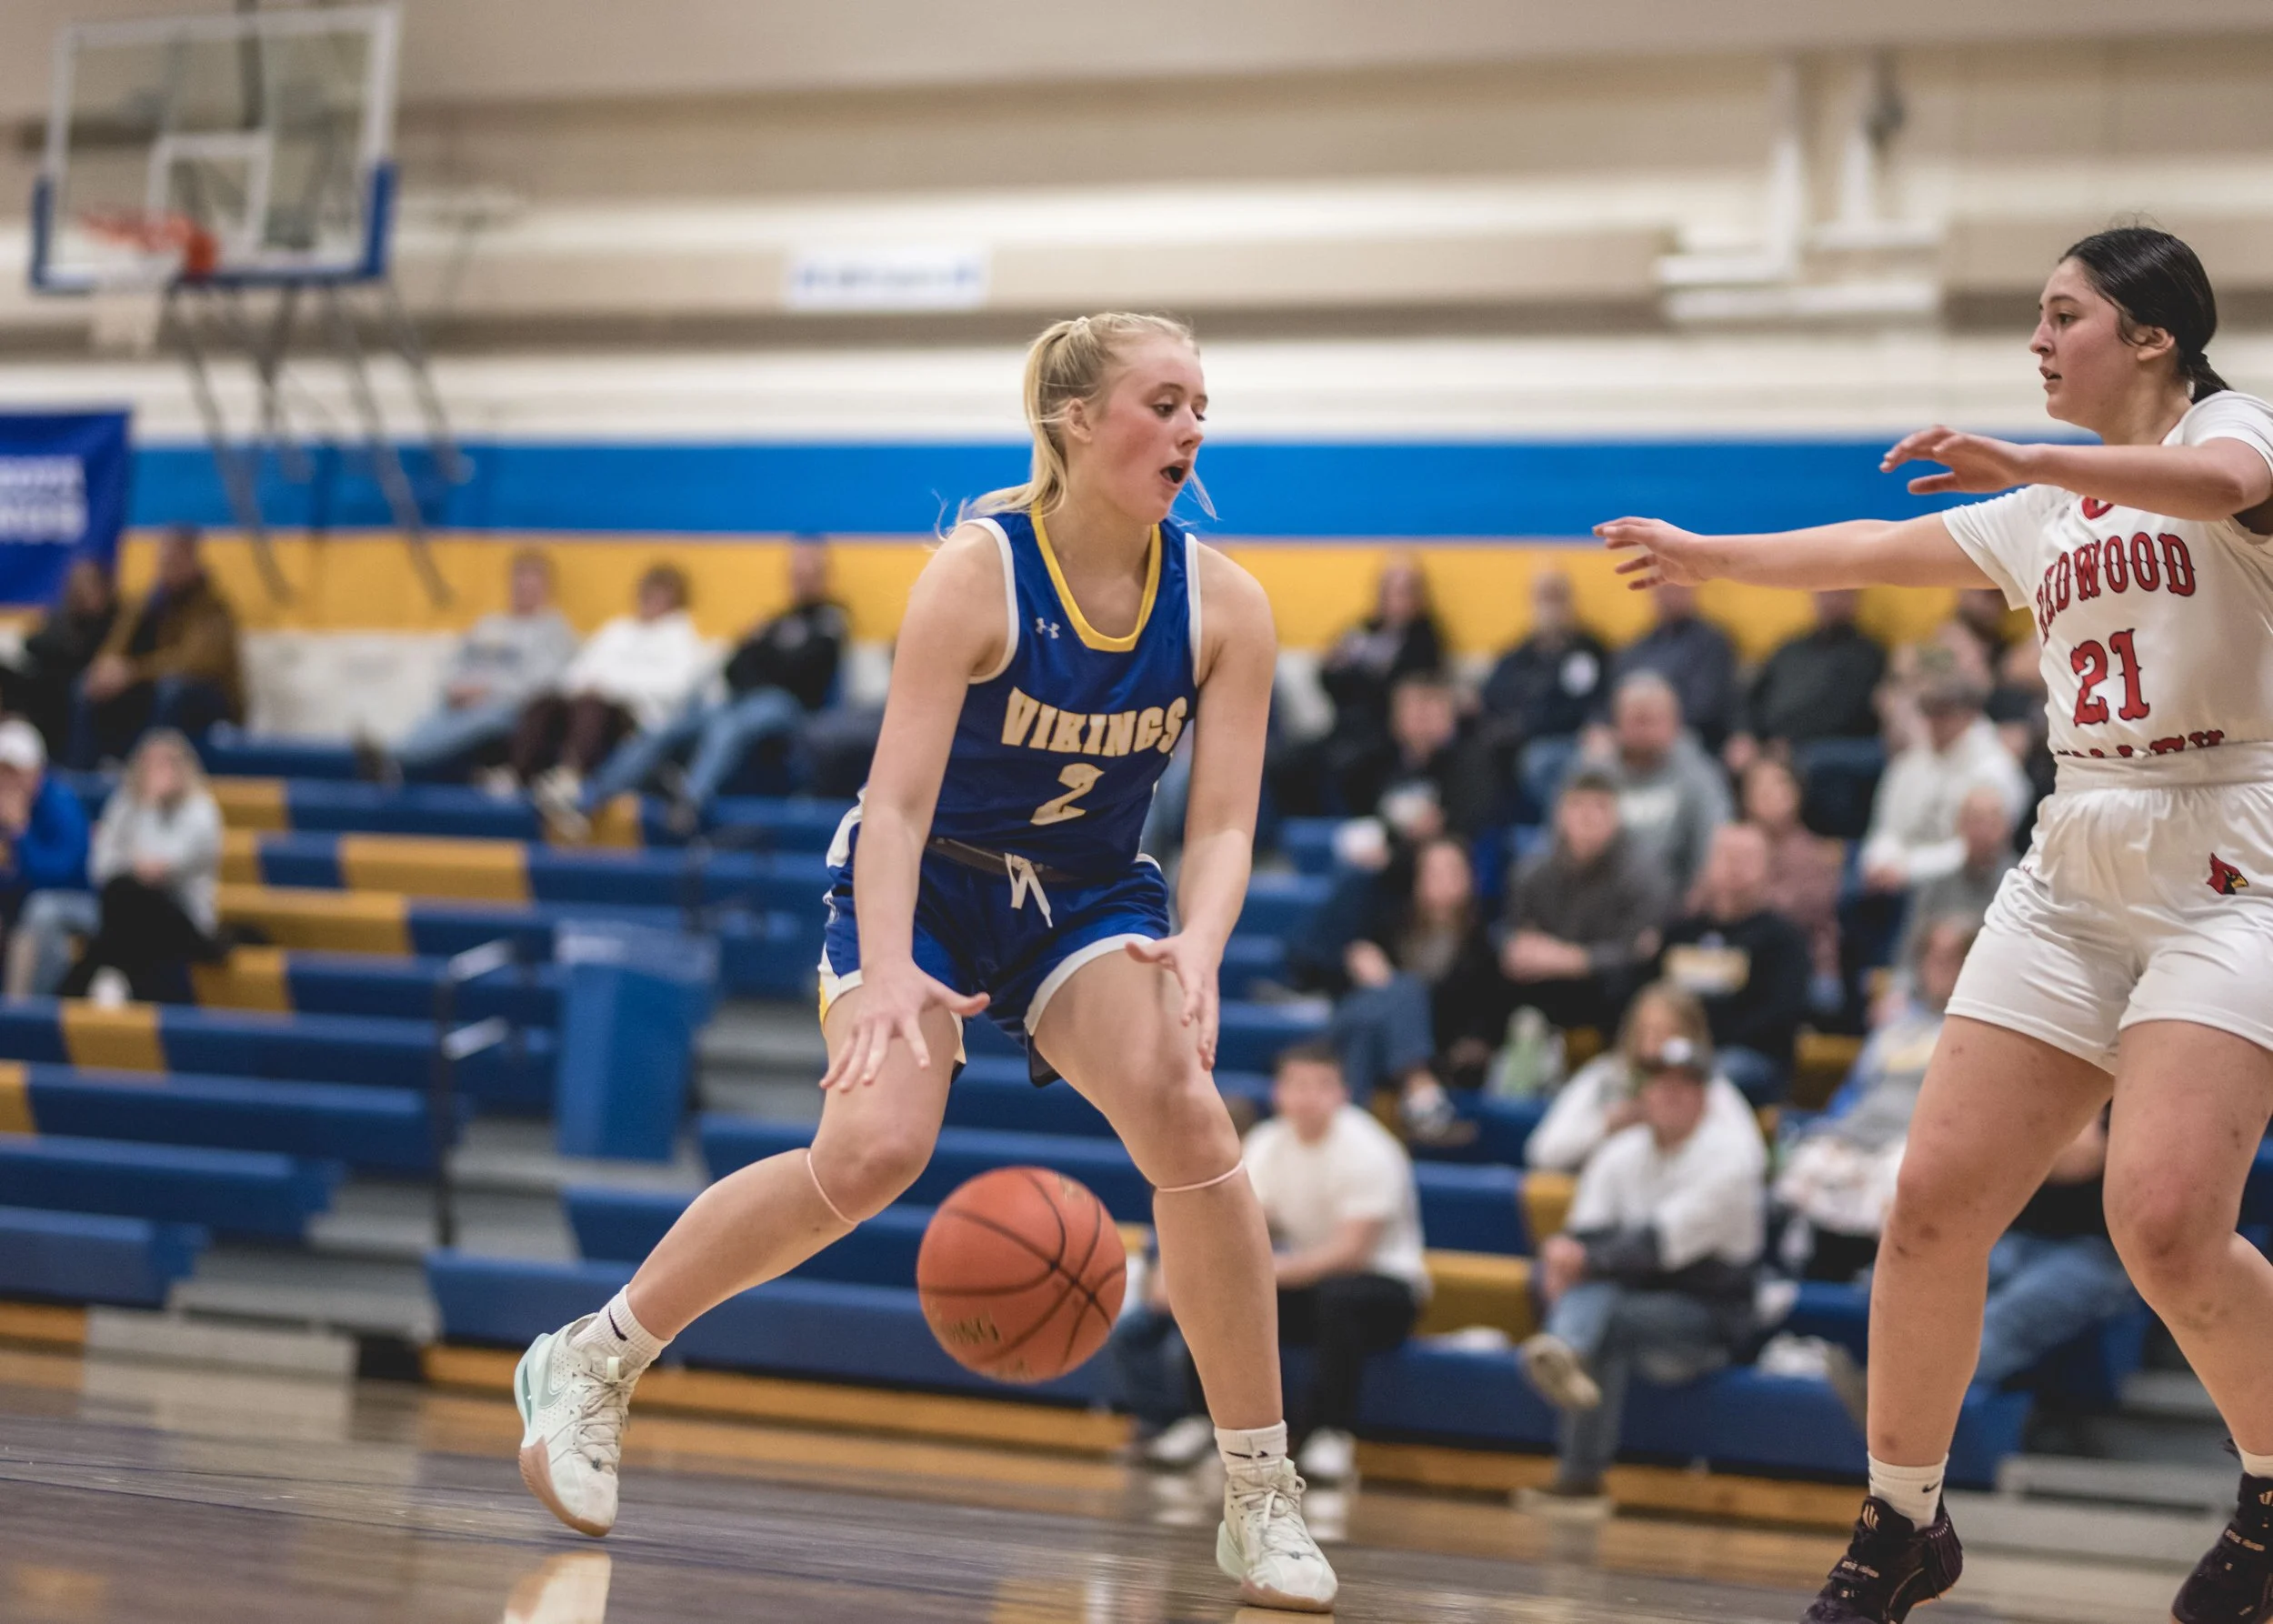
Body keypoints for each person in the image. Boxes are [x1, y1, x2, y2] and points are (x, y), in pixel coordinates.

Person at [508, 313, 1337, 1610]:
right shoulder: (978, 570)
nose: (1189, 429)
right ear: (1077, 419)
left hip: (1087, 894)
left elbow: (1226, 821)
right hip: (928, 876)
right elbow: (892, 804)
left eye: (1199, 407)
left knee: (1188, 1113)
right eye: (1163, 403)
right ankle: (595, 1357)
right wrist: (886, 969)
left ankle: (1259, 1488)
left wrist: (1207, 941)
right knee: (874, 1150)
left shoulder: (1226, 603)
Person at [1598, 226, 2273, 1623]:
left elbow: (2225, 484)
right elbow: (1879, 545)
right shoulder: (2045, 510)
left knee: (2163, 1225)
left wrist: (2033, 460)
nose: (2036, 341)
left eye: (2061, 314)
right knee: (1930, 1205)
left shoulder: (2230, 428)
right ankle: (1903, 1518)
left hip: (2238, 850)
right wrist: (1712, 554)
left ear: (2150, 335)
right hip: (2077, 844)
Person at [1517, 1033, 1765, 1510]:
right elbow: (1585, 1237)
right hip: (1629, 1303)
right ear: (1642, 1093)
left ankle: (1564, 1354)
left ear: (1705, 1097)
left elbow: (1657, 1246)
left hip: (1709, 1317)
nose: (1670, 1095)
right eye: (1660, 1084)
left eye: (1684, 1086)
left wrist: (1577, 1261)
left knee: (1601, 1312)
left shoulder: (1731, 1160)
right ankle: (1578, 1465)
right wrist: (1564, 1259)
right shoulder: (1620, 1153)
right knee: (1597, 1307)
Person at [580, 537, 851, 827]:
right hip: (741, 700)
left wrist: (764, 653)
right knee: (669, 727)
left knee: (728, 725)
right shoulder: (773, 621)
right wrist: (767, 653)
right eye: (796, 567)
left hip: (790, 707)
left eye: (808, 566)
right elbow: (734, 668)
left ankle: (690, 800)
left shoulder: (831, 618)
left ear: (823, 572)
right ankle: (593, 795)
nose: (801, 574)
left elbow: (809, 670)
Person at [1774, 916, 1978, 1282]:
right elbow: (1855, 1090)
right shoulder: (1894, 1024)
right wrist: (1830, 1128)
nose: (1938, 969)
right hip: (1859, 1133)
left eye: (1951, 960)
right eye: (1932, 958)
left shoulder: (1976, 1032)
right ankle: (1807, 1274)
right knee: (1806, 1166)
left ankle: (1888, 1278)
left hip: (1914, 1141)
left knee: (1900, 1179)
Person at [1325, 835, 1505, 1141]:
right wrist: (1357, 966)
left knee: (1383, 1011)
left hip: (1417, 1048)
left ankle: (1349, 1126)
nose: (1442, 881)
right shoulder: (1387, 924)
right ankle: (1421, 1092)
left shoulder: (1484, 946)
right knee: (1398, 991)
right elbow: (1325, 972)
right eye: (1432, 872)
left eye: (1451, 871)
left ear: (1470, 878)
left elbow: (1486, 1017)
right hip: (1358, 1023)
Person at [511, 565, 716, 819]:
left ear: (674, 601)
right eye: (647, 595)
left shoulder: (682, 637)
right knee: (544, 703)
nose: (651, 603)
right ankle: (519, 776)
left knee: (592, 708)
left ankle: (570, 777)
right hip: (586, 701)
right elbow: (577, 669)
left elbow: (675, 687)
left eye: (660, 597)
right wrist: (586, 686)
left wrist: (609, 687)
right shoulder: (617, 630)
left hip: (635, 718)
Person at [1497, 767, 1674, 1037]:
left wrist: (1575, 960)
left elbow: (1639, 954)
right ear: (1559, 815)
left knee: (1625, 984)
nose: (1588, 817)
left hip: (1609, 997)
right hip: (1549, 989)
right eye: (1577, 806)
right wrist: (1519, 951)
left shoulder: (1644, 875)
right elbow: (1519, 941)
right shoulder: (1531, 873)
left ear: (1616, 817)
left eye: (1600, 807)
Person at [1526, 979, 1757, 1176]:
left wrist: (1686, 1132)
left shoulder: (1708, 1088)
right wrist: (1610, 1124)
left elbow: (1751, 1162)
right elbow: (1543, 1153)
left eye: (1667, 1034)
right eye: (1646, 1032)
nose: (1653, 1047)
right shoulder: (1604, 1078)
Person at [57, 729, 223, 1006]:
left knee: (126, 892)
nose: (156, 771)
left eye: (166, 763)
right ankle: (110, 976)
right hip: (132, 919)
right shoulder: (124, 803)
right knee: (121, 894)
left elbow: (156, 868)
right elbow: (100, 867)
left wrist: (150, 805)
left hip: (185, 920)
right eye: (149, 763)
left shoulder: (202, 811)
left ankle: (97, 976)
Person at [385, 550, 578, 784]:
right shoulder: (489, 623)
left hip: (508, 710)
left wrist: (487, 690)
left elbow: (546, 686)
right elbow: (455, 663)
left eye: (532, 587)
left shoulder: (554, 630)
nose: (525, 592)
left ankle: (401, 759)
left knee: (480, 719)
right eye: (521, 585)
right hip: (463, 700)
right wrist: (455, 688)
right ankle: (395, 759)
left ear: (545, 589)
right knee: (434, 715)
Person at [1655, 824, 1812, 1103]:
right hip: (1673, 1049)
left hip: (1748, 1058)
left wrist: (1701, 1045)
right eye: (1727, 856)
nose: (1735, 867)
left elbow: (1778, 1017)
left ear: (1768, 868)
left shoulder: (1784, 940)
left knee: (1706, 1078)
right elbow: (1648, 994)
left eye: (1746, 858)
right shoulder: (1679, 932)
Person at [1856, 643, 2029, 893]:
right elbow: (1887, 828)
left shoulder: (1996, 766)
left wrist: (1908, 870)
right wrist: (1880, 863)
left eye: (1944, 710)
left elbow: (1979, 848)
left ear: (1970, 712)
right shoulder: (1912, 760)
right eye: (1928, 710)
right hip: (1897, 881)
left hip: (1969, 886)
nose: (1933, 721)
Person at [69, 525, 242, 767]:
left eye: (172, 561)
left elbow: (192, 662)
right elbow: (116, 643)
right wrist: (107, 669)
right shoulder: (147, 601)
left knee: (171, 690)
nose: (165, 569)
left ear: (192, 560)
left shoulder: (213, 606)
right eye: (162, 561)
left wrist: (132, 672)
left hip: (209, 699)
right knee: (88, 685)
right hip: (153, 683)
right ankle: (83, 777)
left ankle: (151, 770)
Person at [1577, 670, 1731, 896]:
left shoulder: (1700, 775)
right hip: (1600, 904)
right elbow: (1562, 843)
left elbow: (1714, 842)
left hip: (1676, 903)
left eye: (1653, 720)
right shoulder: (1594, 773)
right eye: (1636, 720)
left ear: (1675, 722)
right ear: (1617, 722)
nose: (1644, 730)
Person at [1724, 590, 1887, 778]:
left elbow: (1844, 714)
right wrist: (1744, 733)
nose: (1830, 601)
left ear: (1855, 600)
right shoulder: (1790, 649)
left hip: (1819, 749)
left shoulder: (1866, 655)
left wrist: (1789, 741)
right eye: (1824, 594)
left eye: (1840, 594)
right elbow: (1752, 696)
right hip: (1770, 743)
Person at [1742, 757, 1847, 1012]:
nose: (1768, 793)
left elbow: (1796, 914)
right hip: (1737, 956)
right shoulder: (1730, 847)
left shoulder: (1816, 855)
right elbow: (1702, 903)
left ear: (1796, 794)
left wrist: (1743, 896)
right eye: (1759, 785)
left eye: (1778, 784)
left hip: (1806, 960)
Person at [0, 717, 93, 997]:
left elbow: (59, 874)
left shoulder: (62, 804)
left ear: (36, 771)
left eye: (15, 772)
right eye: (3, 772)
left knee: (41, 911)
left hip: (78, 903)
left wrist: (20, 833)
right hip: (21, 904)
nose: (8, 781)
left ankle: (23, 1015)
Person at [1888, 786, 2015, 973]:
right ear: (1960, 825)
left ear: (2007, 827)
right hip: (1935, 991)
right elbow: (1909, 951)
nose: (1984, 830)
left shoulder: (2021, 884)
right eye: (1976, 820)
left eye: (1992, 821)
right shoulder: (1936, 883)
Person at [0, 559, 118, 757]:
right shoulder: (63, 616)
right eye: (75, 586)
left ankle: (75, 759)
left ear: (103, 588)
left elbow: (82, 653)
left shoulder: (115, 620)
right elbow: (39, 642)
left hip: (83, 683)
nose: (79, 592)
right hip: (46, 678)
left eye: (86, 585)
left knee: (74, 689)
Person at [1603, 582, 1737, 751]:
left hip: (1688, 736)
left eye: (1676, 588)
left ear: (1691, 590)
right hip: (1630, 737)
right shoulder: (1636, 646)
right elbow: (1613, 693)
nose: (1668, 596)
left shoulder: (1712, 643)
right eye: (1662, 589)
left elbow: (1706, 705)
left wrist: (1655, 724)